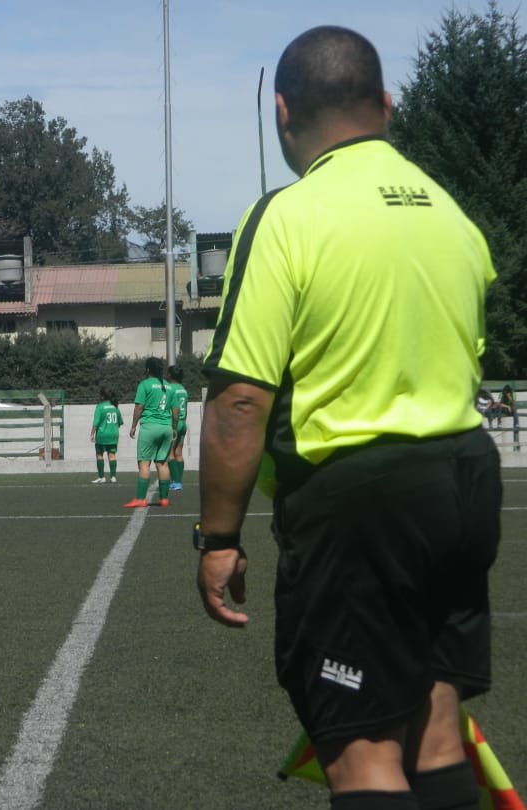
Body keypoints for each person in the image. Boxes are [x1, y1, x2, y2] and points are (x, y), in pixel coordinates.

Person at [196, 26, 500, 810]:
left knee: (363, 752)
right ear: (388, 108)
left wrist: (219, 540)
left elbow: (239, 399)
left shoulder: (288, 217)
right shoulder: (450, 213)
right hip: (465, 483)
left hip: (360, 502)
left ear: (283, 110)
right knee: (434, 730)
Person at [124, 357, 175, 508]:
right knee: (162, 463)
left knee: (144, 464)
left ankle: (140, 499)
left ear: (147, 370)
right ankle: (164, 499)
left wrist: (133, 426)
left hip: (149, 427)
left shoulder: (144, 384)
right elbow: (175, 409)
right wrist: (173, 426)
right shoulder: (169, 387)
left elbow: (139, 407)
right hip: (166, 428)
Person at [90, 387, 123, 483]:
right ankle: (113, 477)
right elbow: (120, 422)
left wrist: (92, 434)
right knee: (112, 455)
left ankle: (101, 477)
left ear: (102, 396)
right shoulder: (115, 407)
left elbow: (95, 423)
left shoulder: (100, 407)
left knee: (99, 455)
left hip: (102, 435)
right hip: (114, 435)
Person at [165, 364, 188, 491]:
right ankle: (178, 480)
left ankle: (175, 481)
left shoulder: (170, 389)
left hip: (173, 423)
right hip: (183, 423)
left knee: (170, 453)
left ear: (170, 375)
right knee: (179, 453)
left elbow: (170, 407)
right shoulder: (183, 389)